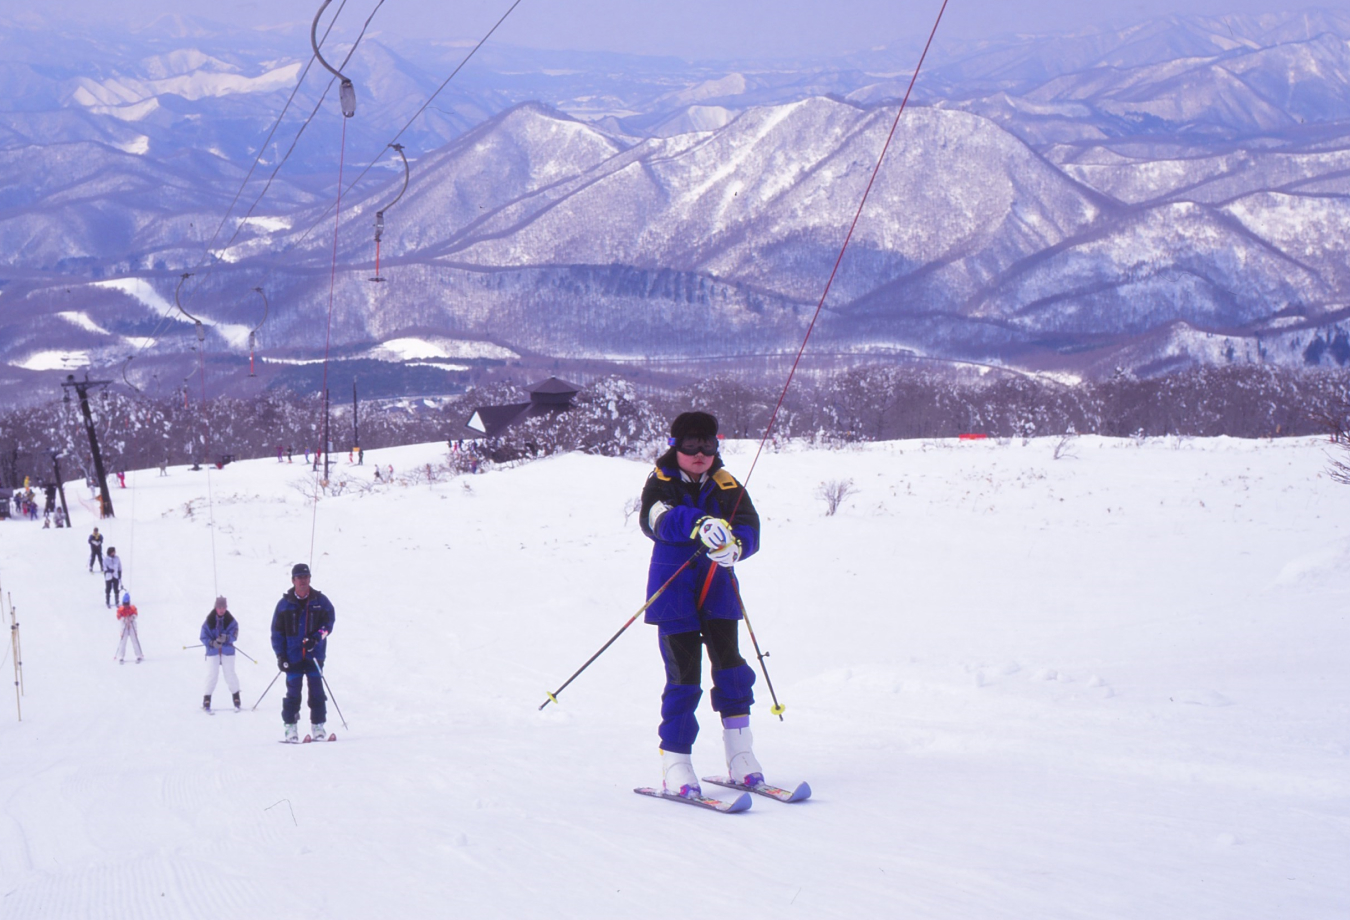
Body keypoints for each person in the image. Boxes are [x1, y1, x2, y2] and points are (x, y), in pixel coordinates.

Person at [638, 411, 762, 798]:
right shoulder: (659, 483)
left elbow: (749, 525)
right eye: (690, 445)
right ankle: (676, 761)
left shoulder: (726, 483)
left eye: (707, 444)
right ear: (676, 446)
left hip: (718, 589)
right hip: (674, 593)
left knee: (732, 669)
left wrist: (737, 546)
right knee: (684, 677)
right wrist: (697, 523)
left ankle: (741, 755)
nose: (700, 453)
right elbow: (656, 520)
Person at [271, 563, 336, 742]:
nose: (303, 581)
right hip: (292, 657)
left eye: (306, 577)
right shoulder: (284, 605)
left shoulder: (320, 601)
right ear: (293, 581)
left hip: (315, 655)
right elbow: (277, 633)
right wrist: (280, 655)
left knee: (316, 691)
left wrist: (316, 638)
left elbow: (328, 626)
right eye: (299, 577)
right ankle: (290, 727)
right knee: (293, 693)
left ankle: (318, 726)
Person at [201, 596, 241, 712]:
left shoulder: (231, 620)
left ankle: (236, 698)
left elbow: (235, 634)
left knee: (230, 674)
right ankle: (206, 699)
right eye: (219, 607)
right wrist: (211, 643)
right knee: (212, 674)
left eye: (224, 607)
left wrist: (227, 638)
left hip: (227, 650)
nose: (221, 610)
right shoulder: (209, 620)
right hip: (212, 651)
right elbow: (203, 636)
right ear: (216, 607)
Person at [115, 592, 143, 663]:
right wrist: (124, 619)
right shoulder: (120, 609)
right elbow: (118, 617)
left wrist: (132, 617)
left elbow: (136, 614)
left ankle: (138, 655)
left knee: (134, 640)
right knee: (123, 641)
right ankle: (121, 656)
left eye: (127, 604)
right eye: (125, 604)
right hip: (124, 625)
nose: (126, 606)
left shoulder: (133, 608)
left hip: (132, 625)